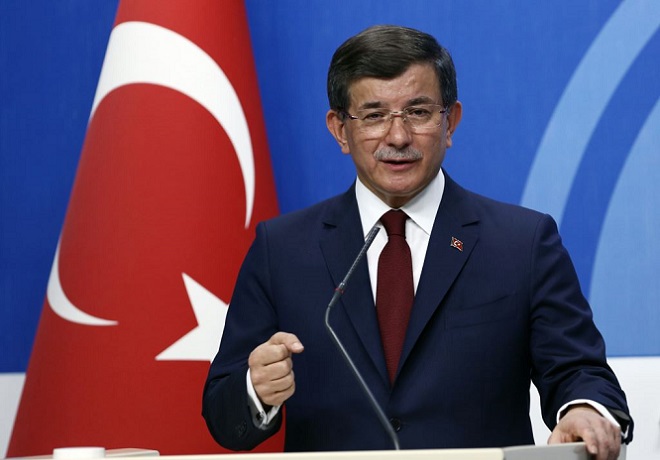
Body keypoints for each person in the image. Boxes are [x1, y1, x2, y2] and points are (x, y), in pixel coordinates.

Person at [202, 25, 632, 459]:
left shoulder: (522, 243)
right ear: (339, 130)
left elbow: (579, 371)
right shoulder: (282, 249)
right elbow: (222, 415)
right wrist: (256, 390)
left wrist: (584, 409)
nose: (398, 137)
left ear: (450, 122)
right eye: (373, 116)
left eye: (419, 112)